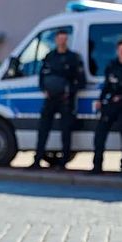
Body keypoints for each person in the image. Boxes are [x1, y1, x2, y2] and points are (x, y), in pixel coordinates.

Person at [32, 29, 86, 169]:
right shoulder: (50, 56)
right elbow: (42, 76)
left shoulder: (73, 58)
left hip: (65, 100)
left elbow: (81, 81)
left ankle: (63, 162)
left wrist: (69, 92)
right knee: (43, 129)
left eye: (64, 39)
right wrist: (44, 89)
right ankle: (37, 160)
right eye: (59, 39)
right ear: (56, 40)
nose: (61, 41)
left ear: (66, 40)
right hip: (50, 99)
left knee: (65, 131)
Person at [92, 39, 122, 174]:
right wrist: (100, 100)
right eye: (120, 50)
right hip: (111, 105)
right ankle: (97, 166)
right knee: (100, 133)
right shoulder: (112, 66)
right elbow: (107, 85)